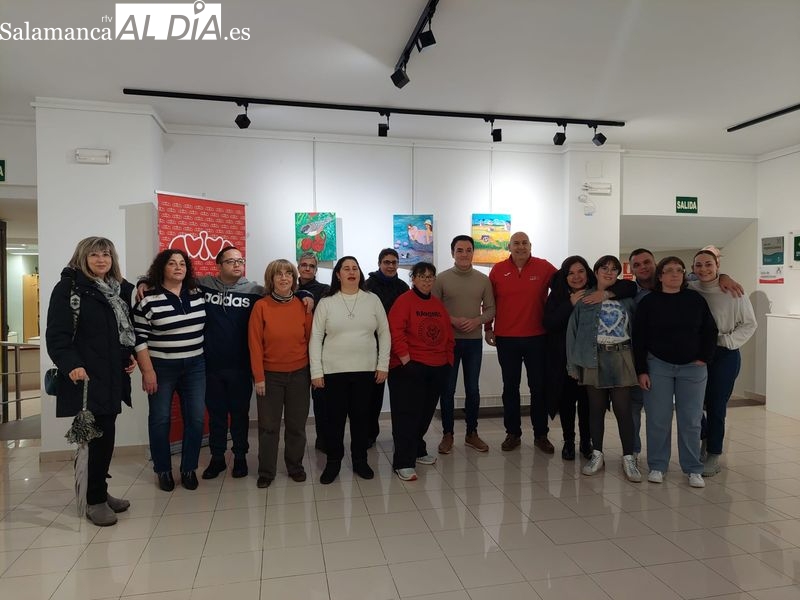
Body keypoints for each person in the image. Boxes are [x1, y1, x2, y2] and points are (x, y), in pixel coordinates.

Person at [138, 247, 265, 481]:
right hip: (209, 366)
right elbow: (170, 279)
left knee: (239, 415)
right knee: (215, 416)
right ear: (219, 265)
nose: (237, 265)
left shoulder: (255, 291)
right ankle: (217, 458)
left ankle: (240, 457)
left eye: (240, 261)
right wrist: (144, 282)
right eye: (231, 261)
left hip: (240, 366)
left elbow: (281, 295)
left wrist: (304, 295)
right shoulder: (202, 286)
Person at [46, 237, 137, 526]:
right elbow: (57, 335)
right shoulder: (69, 289)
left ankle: (99, 491)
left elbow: (119, 331)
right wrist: (71, 364)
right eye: (94, 255)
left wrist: (128, 356)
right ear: (82, 257)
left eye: (106, 254)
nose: (101, 260)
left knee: (105, 438)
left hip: (111, 376)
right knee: (96, 440)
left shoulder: (117, 289)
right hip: (86, 378)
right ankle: (94, 500)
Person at [628, 248, 744, 460]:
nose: (643, 267)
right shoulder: (632, 292)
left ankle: (704, 455)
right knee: (653, 415)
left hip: (699, 360)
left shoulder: (692, 288)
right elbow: (639, 335)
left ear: (655, 265)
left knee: (699, 411)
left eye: (647, 262)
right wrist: (641, 368)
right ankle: (636, 454)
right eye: (637, 265)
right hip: (656, 362)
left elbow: (710, 323)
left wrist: (723, 276)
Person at [633, 256, 717, 488]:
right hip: (658, 366)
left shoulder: (695, 299)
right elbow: (639, 339)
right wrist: (641, 370)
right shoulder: (649, 302)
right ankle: (658, 465)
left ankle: (693, 468)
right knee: (658, 419)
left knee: (691, 420)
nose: (674, 274)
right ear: (660, 276)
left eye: (679, 270)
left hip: (693, 368)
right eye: (669, 270)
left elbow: (710, 331)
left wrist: (704, 357)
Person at [310, 256, 390, 484]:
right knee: (334, 421)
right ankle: (333, 462)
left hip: (366, 370)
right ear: (338, 274)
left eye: (355, 268)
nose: (351, 272)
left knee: (361, 419)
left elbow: (384, 333)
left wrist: (382, 365)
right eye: (346, 268)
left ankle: (360, 461)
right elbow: (315, 337)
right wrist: (316, 371)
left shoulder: (372, 299)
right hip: (333, 371)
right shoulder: (327, 302)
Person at [134, 249, 207, 492]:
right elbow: (139, 339)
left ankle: (188, 469)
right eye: (172, 263)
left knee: (196, 418)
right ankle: (163, 469)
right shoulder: (147, 298)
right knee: (160, 419)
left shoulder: (198, 293)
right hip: (161, 368)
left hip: (195, 366)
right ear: (161, 268)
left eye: (182, 264)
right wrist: (147, 371)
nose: (178, 267)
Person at [566, 255, 641, 482]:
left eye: (614, 269)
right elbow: (572, 333)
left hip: (621, 357)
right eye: (604, 268)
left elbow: (638, 331)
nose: (609, 272)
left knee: (623, 410)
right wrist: (573, 365)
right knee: (595, 409)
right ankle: (597, 454)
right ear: (596, 271)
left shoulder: (627, 299)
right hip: (593, 359)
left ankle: (629, 457)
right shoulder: (584, 299)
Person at [485, 231, 556, 453]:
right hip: (506, 338)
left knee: (538, 387)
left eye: (525, 243)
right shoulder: (498, 270)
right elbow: (489, 302)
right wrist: (488, 328)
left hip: (537, 337)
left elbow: (564, 286)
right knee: (510, 388)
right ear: (509, 246)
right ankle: (513, 433)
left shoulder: (544, 267)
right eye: (516, 243)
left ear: (530, 246)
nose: (521, 246)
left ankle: (541, 434)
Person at [690, 246, 757, 476]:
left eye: (709, 264)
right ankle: (705, 437)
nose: (704, 269)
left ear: (717, 265)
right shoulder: (690, 289)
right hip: (696, 354)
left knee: (716, 405)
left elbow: (749, 324)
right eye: (699, 265)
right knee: (693, 403)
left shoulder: (733, 291)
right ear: (692, 269)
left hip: (724, 354)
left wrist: (725, 341)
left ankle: (714, 453)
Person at [248, 259, 313, 488]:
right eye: (279, 274)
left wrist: (313, 373)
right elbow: (255, 344)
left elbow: (311, 341)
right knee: (268, 427)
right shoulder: (261, 306)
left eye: (288, 274)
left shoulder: (304, 306)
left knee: (296, 426)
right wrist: (259, 377)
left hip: (299, 375)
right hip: (270, 377)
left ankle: (295, 466)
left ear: (294, 279)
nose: (284, 278)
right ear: (271, 279)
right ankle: (266, 471)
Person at [388, 262, 455, 481]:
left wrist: (448, 361)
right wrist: (406, 361)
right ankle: (403, 462)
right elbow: (395, 331)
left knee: (425, 414)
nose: (427, 280)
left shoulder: (437, 304)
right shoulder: (404, 301)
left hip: (437, 367)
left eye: (430, 276)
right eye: (422, 276)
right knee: (406, 416)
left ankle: (417, 450)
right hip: (409, 367)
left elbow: (448, 335)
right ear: (413, 278)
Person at [432, 235, 495, 454]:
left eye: (468, 250)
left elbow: (491, 309)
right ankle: (447, 434)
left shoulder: (483, 280)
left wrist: (477, 321)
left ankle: (472, 433)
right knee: (447, 389)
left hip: (473, 342)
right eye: (460, 250)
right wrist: (452, 320)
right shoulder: (441, 279)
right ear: (452, 253)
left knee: (473, 389)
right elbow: (434, 309)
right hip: (448, 342)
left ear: (473, 252)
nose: (464, 254)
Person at [543, 256, 594, 461]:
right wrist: (570, 303)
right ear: (564, 276)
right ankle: (569, 442)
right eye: (571, 273)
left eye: (580, 271)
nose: (576, 276)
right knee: (567, 402)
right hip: (564, 360)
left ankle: (586, 442)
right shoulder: (557, 297)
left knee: (587, 403)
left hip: (589, 360)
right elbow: (549, 323)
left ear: (587, 273)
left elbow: (626, 288)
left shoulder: (596, 293)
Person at [365, 248, 409, 446]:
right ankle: (369, 434)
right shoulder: (368, 286)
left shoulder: (403, 287)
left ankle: (401, 435)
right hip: (373, 348)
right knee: (373, 396)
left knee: (401, 396)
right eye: (386, 262)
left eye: (394, 262)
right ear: (379, 264)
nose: (390, 266)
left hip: (398, 348)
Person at [297, 251, 331, 453]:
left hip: (320, 353)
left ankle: (324, 440)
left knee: (322, 401)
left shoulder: (325, 290)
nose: (307, 268)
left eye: (311, 266)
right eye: (304, 265)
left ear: (316, 270)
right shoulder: (290, 288)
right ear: (298, 267)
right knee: (298, 402)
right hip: (297, 352)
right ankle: (296, 443)